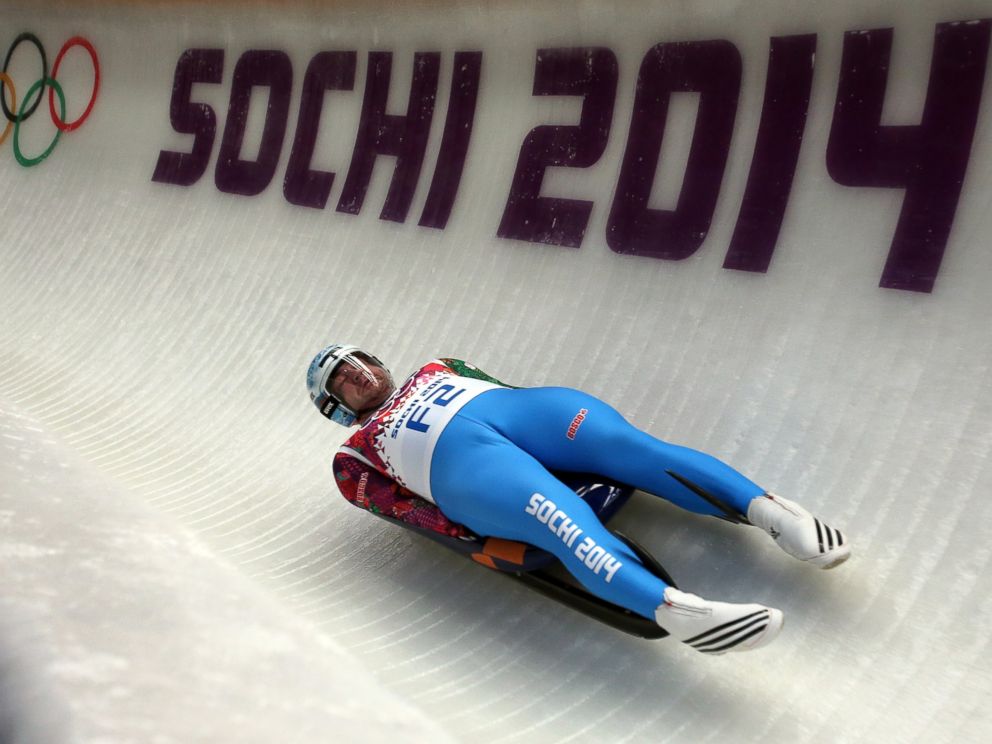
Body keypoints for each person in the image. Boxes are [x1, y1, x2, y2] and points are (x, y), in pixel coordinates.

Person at [308, 344, 850, 655]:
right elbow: (409, 513)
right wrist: (474, 542)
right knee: (559, 515)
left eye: (359, 362)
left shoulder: (438, 365)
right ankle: (676, 610)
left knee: (629, 446)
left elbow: (509, 390)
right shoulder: (352, 457)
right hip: (467, 471)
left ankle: (773, 513)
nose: (360, 374)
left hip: (524, 416)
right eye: (346, 379)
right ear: (336, 405)